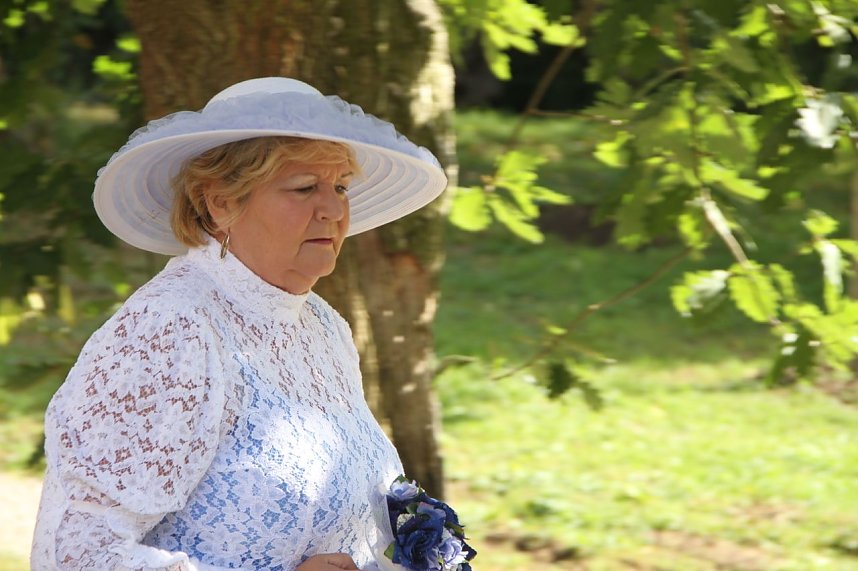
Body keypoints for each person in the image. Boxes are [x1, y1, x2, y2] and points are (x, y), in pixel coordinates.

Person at [30, 77, 447, 571]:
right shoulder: (170, 329)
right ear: (220, 202)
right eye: (304, 188)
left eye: (339, 187)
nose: (334, 210)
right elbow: (77, 555)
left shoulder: (323, 325)